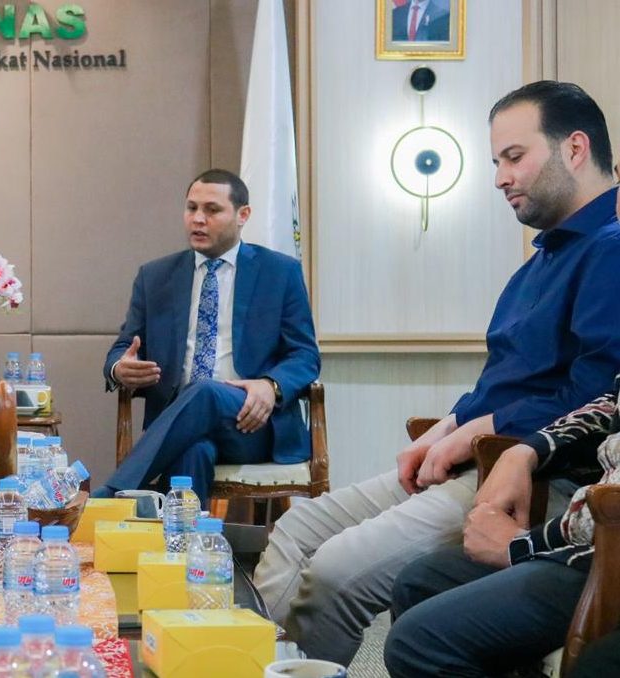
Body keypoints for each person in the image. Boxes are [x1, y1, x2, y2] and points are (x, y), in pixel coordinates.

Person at [254, 80, 620, 666]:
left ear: (575, 148)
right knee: (297, 530)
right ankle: (260, 663)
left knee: (334, 574)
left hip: (537, 476)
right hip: (478, 456)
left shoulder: (609, 248)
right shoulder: (544, 258)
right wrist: (445, 429)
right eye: (496, 162)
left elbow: (594, 395)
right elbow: (501, 381)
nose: (500, 177)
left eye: (514, 156)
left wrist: (469, 434)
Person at [91, 168, 320, 501]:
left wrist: (271, 385)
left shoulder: (279, 272)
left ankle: (112, 493)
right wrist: (119, 368)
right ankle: (183, 534)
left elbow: (305, 355)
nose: (198, 219)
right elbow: (124, 346)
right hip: (182, 426)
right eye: (191, 208)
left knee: (206, 391)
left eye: (212, 210)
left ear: (243, 215)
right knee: (193, 452)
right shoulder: (155, 276)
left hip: (250, 422)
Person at [385, 366, 620, 676]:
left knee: (417, 643)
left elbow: (611, 502)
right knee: (418, 583)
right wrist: (527, 450)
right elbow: (611, 405)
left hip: (605, 550)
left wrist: (522, 545)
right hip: (590, 530)